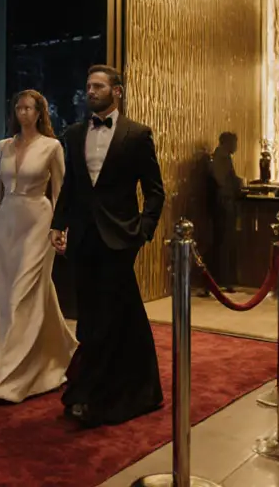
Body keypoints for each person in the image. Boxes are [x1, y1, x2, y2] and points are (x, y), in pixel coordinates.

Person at [50, 65, 165, 427]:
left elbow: (155, 191)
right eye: (87, 86)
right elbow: (71, 187)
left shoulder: (137, 134)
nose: (90, 91)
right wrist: (58, 223)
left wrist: (143, 230)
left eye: (98, 86)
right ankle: (105, 387)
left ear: (117, 91)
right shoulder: (74, 133)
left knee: (112, 314)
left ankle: (96, 394)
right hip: (83, 237)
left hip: (120, 238)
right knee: (92, 316)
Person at [0, 90, 77, 403]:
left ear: (39, 111)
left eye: (28, 108)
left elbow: (60, 193)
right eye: (18, 107)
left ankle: (11, 380)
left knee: (22, 296)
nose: (23, 113)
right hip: (7, 226)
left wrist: (62, 230)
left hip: (39, 224)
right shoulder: (3, 146)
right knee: (17, 298)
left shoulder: (52, 146)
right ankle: (60, 355)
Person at [206, 132, 242, 293]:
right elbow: (222, 182)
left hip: (221, 206)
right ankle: (221, 280)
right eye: (235, 142)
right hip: (223, 206)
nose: (236, 146)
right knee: (223, 243)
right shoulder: (221, 158)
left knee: (222, 243)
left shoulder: (221, 157)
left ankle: (219, 280)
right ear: (227, 142)